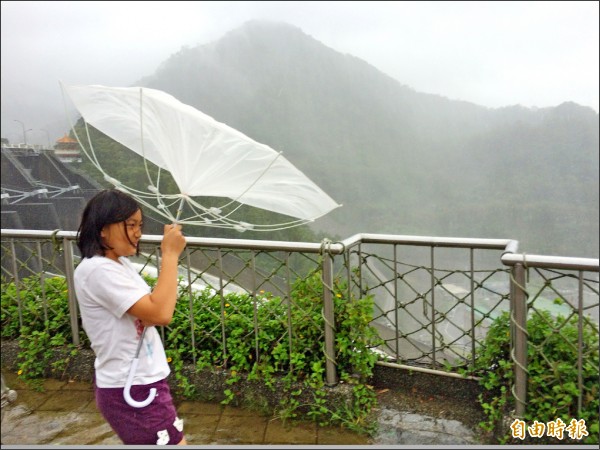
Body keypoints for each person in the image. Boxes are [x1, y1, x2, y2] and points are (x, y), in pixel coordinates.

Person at [74, 189, 188, 445]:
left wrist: (153, 310)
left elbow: (152, 312)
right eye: (130, 225)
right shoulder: (97, 270)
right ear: (103, 229)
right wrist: (170, 254)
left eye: (140, 225)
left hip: (141, 382)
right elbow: (160, 313)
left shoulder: (118, 264)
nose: (138, 232)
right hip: (132, 387)